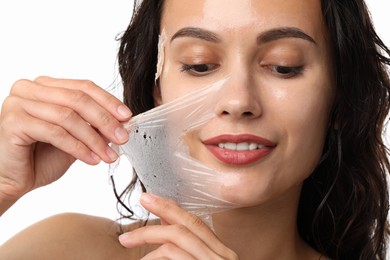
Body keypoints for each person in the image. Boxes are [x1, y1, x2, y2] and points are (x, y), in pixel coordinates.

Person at [0, 0, 389, 259]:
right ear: (157, 92)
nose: (237, 101)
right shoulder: (68, 250)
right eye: (200, 65)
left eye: (284, 66)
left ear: (341, 97)